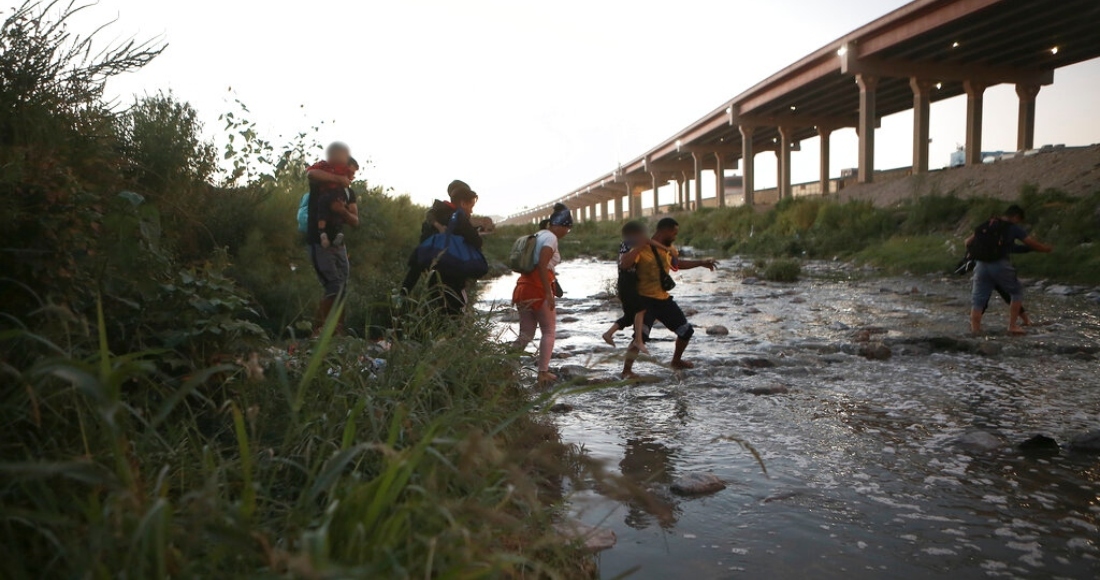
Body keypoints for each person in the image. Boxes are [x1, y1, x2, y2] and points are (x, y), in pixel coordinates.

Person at [622, 217, 717, 379]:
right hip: (644, 301)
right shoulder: (644, 248)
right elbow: (624, 264)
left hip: (663, 300)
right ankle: (626, 371)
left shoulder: (669, 249)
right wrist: (639, 247)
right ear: (664, 231)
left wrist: (701, 262)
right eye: (674, 233)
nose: (675, 236)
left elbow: (677, 264)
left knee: (686, 331)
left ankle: (676, 361)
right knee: (640, 338)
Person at [966, 205, 1052, 335]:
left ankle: (975, 331)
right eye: (1019, 220)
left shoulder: (988, 224)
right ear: (1016, 217)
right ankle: (1012, 326)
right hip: (999, 264)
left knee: (978, 299)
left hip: (981, 265)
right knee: (1016, 292)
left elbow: (967, 242)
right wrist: (1045, 249)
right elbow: (1030, 242)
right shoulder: (1012, 227)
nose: (1018, 223)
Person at [400, 179, 484, 314]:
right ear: (462, 202)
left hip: (433, 279)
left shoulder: (433, 217)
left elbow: (422, 250)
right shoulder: (459, 218)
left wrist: (405, 289)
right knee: (455, 315)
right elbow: (477, 242)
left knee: (437, 311)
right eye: (470, 206)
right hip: (454, 280)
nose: (471, 210)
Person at [512, 203, 572, 385]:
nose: (566, 232)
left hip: (523, 287)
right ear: (561, 226)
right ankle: (543, 372)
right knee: (549, 331)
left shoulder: (538, 235)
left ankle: (507, 365)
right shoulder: (551, 238)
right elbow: (542, 264)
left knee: (526, 334)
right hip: (538, 288)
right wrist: (548, 292)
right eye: (567, 229)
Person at [306, 142, 360, 334]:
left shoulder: (348, 192)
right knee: (334, 285)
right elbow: (311, 174)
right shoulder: (323, 179)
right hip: (319, 240)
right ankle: (318, 331)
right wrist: (338, 178)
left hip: (339, 243)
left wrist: (342, 212)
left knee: (342, 286)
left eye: (353, 174)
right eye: (349, 172)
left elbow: (354, 220)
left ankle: (338, 331)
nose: (351, 177)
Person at [602, 221, 677, 353]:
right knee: (641, 310)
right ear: (635, 233)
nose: (645, 236)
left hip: (625, 281)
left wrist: (666, 250)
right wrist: (666, 249)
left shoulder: (626, 243)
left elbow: (649, 242)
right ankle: (638, 340)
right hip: (628, 281)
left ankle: (609, 333)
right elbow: (648, 242)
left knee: (630, 316)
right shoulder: (633, 243)